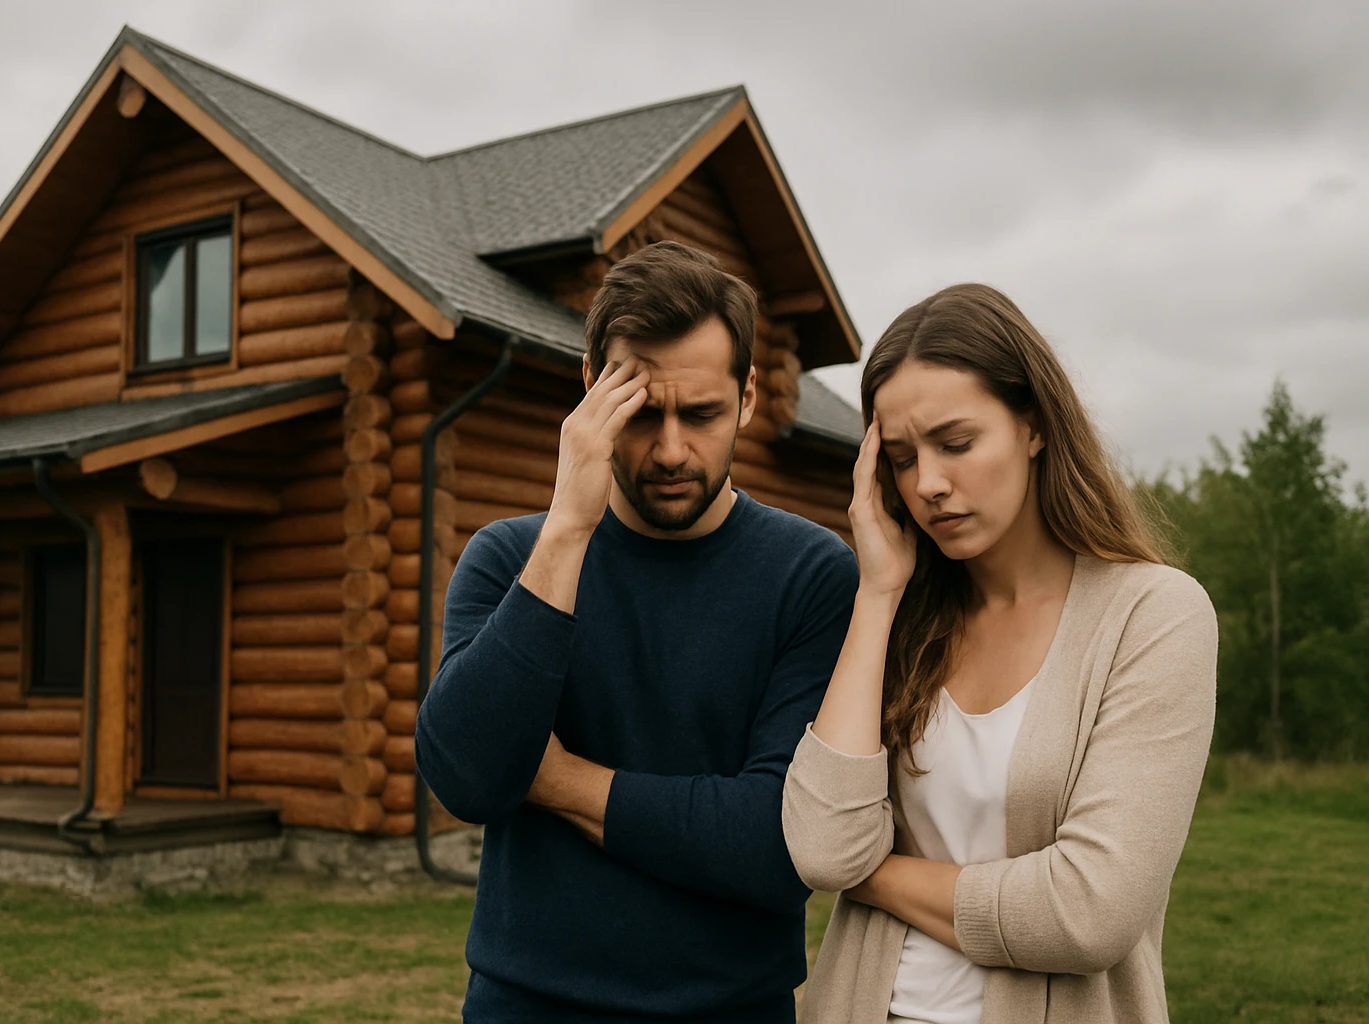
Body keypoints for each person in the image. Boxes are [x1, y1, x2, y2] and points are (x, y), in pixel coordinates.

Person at [415, 241, 859, 1023]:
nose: (671, 450)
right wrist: (566, 531)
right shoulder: (511, 557)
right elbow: (468, 780)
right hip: (525, 1008)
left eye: (702, 414)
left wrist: (555, 779)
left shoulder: (812, 576)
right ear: (592, 389)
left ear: (748, 397)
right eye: (642, 412)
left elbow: (778, 843)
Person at [782, 283, 1218, 1024]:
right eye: (901, 458)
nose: (928, 484)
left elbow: (1089, 912)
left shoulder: (1152, 616)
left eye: (955, 444)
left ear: (1034, 426)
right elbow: (824, 849)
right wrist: (878, 593)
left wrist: (874, 875)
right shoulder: (895, 619)